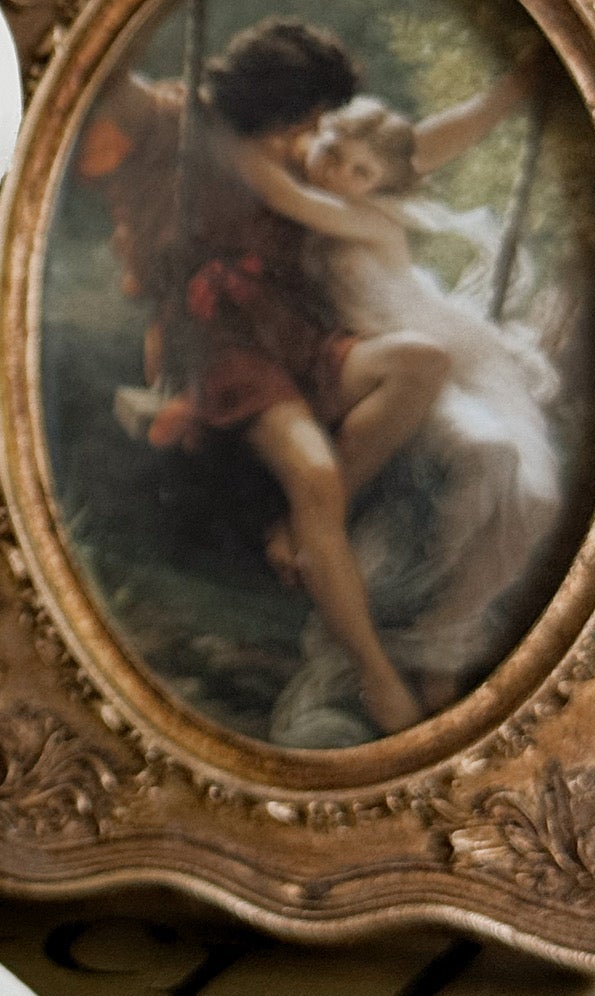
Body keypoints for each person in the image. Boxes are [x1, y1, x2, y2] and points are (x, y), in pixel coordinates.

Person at [236, 88, 560, 719]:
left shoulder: (363, 216)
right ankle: (416, 643)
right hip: (419, 367)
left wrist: (235, 147)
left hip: (463, 354)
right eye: (334, 154)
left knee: (538, 499)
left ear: (378, 182)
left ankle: (438, 640)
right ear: (319, 132)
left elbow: (288, 194)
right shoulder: (315, 215)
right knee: (487, 458)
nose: (341, 175)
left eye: (362, 171)